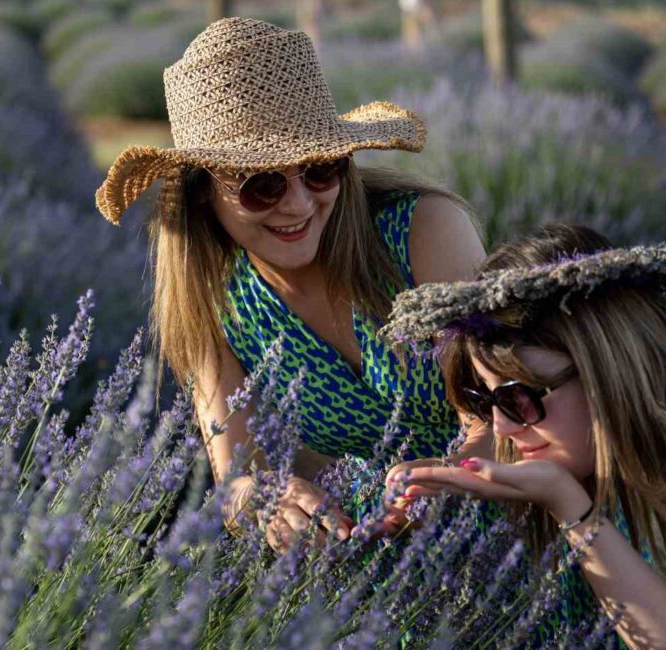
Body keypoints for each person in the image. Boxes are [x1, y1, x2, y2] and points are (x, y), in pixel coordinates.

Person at [94, 17, 488, 552]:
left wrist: (447, 480)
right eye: (262, 184)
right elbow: (237, 475)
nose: (300, 204)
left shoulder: (422, 232)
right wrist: (265, 499)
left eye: (320, 169)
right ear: (203, 192)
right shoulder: (215, 303)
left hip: (508, 532)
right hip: (371, 569)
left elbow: (501, 414)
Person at [382, 224, 666, 649]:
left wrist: (573, 510)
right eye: (485, 400)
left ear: (605, 369)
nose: (503, 428)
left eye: (518, 398)